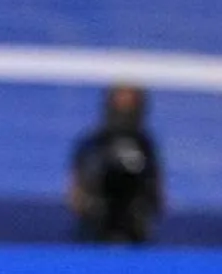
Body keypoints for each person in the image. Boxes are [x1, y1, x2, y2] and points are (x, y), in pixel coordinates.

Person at [69, 83, 162, 243]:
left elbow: (157, 190)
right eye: (121, 103)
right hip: (95, 231)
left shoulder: (146, 145)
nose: (125, 110)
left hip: (135, 233)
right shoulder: (93, 143)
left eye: (130, 104)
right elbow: (75, 192)